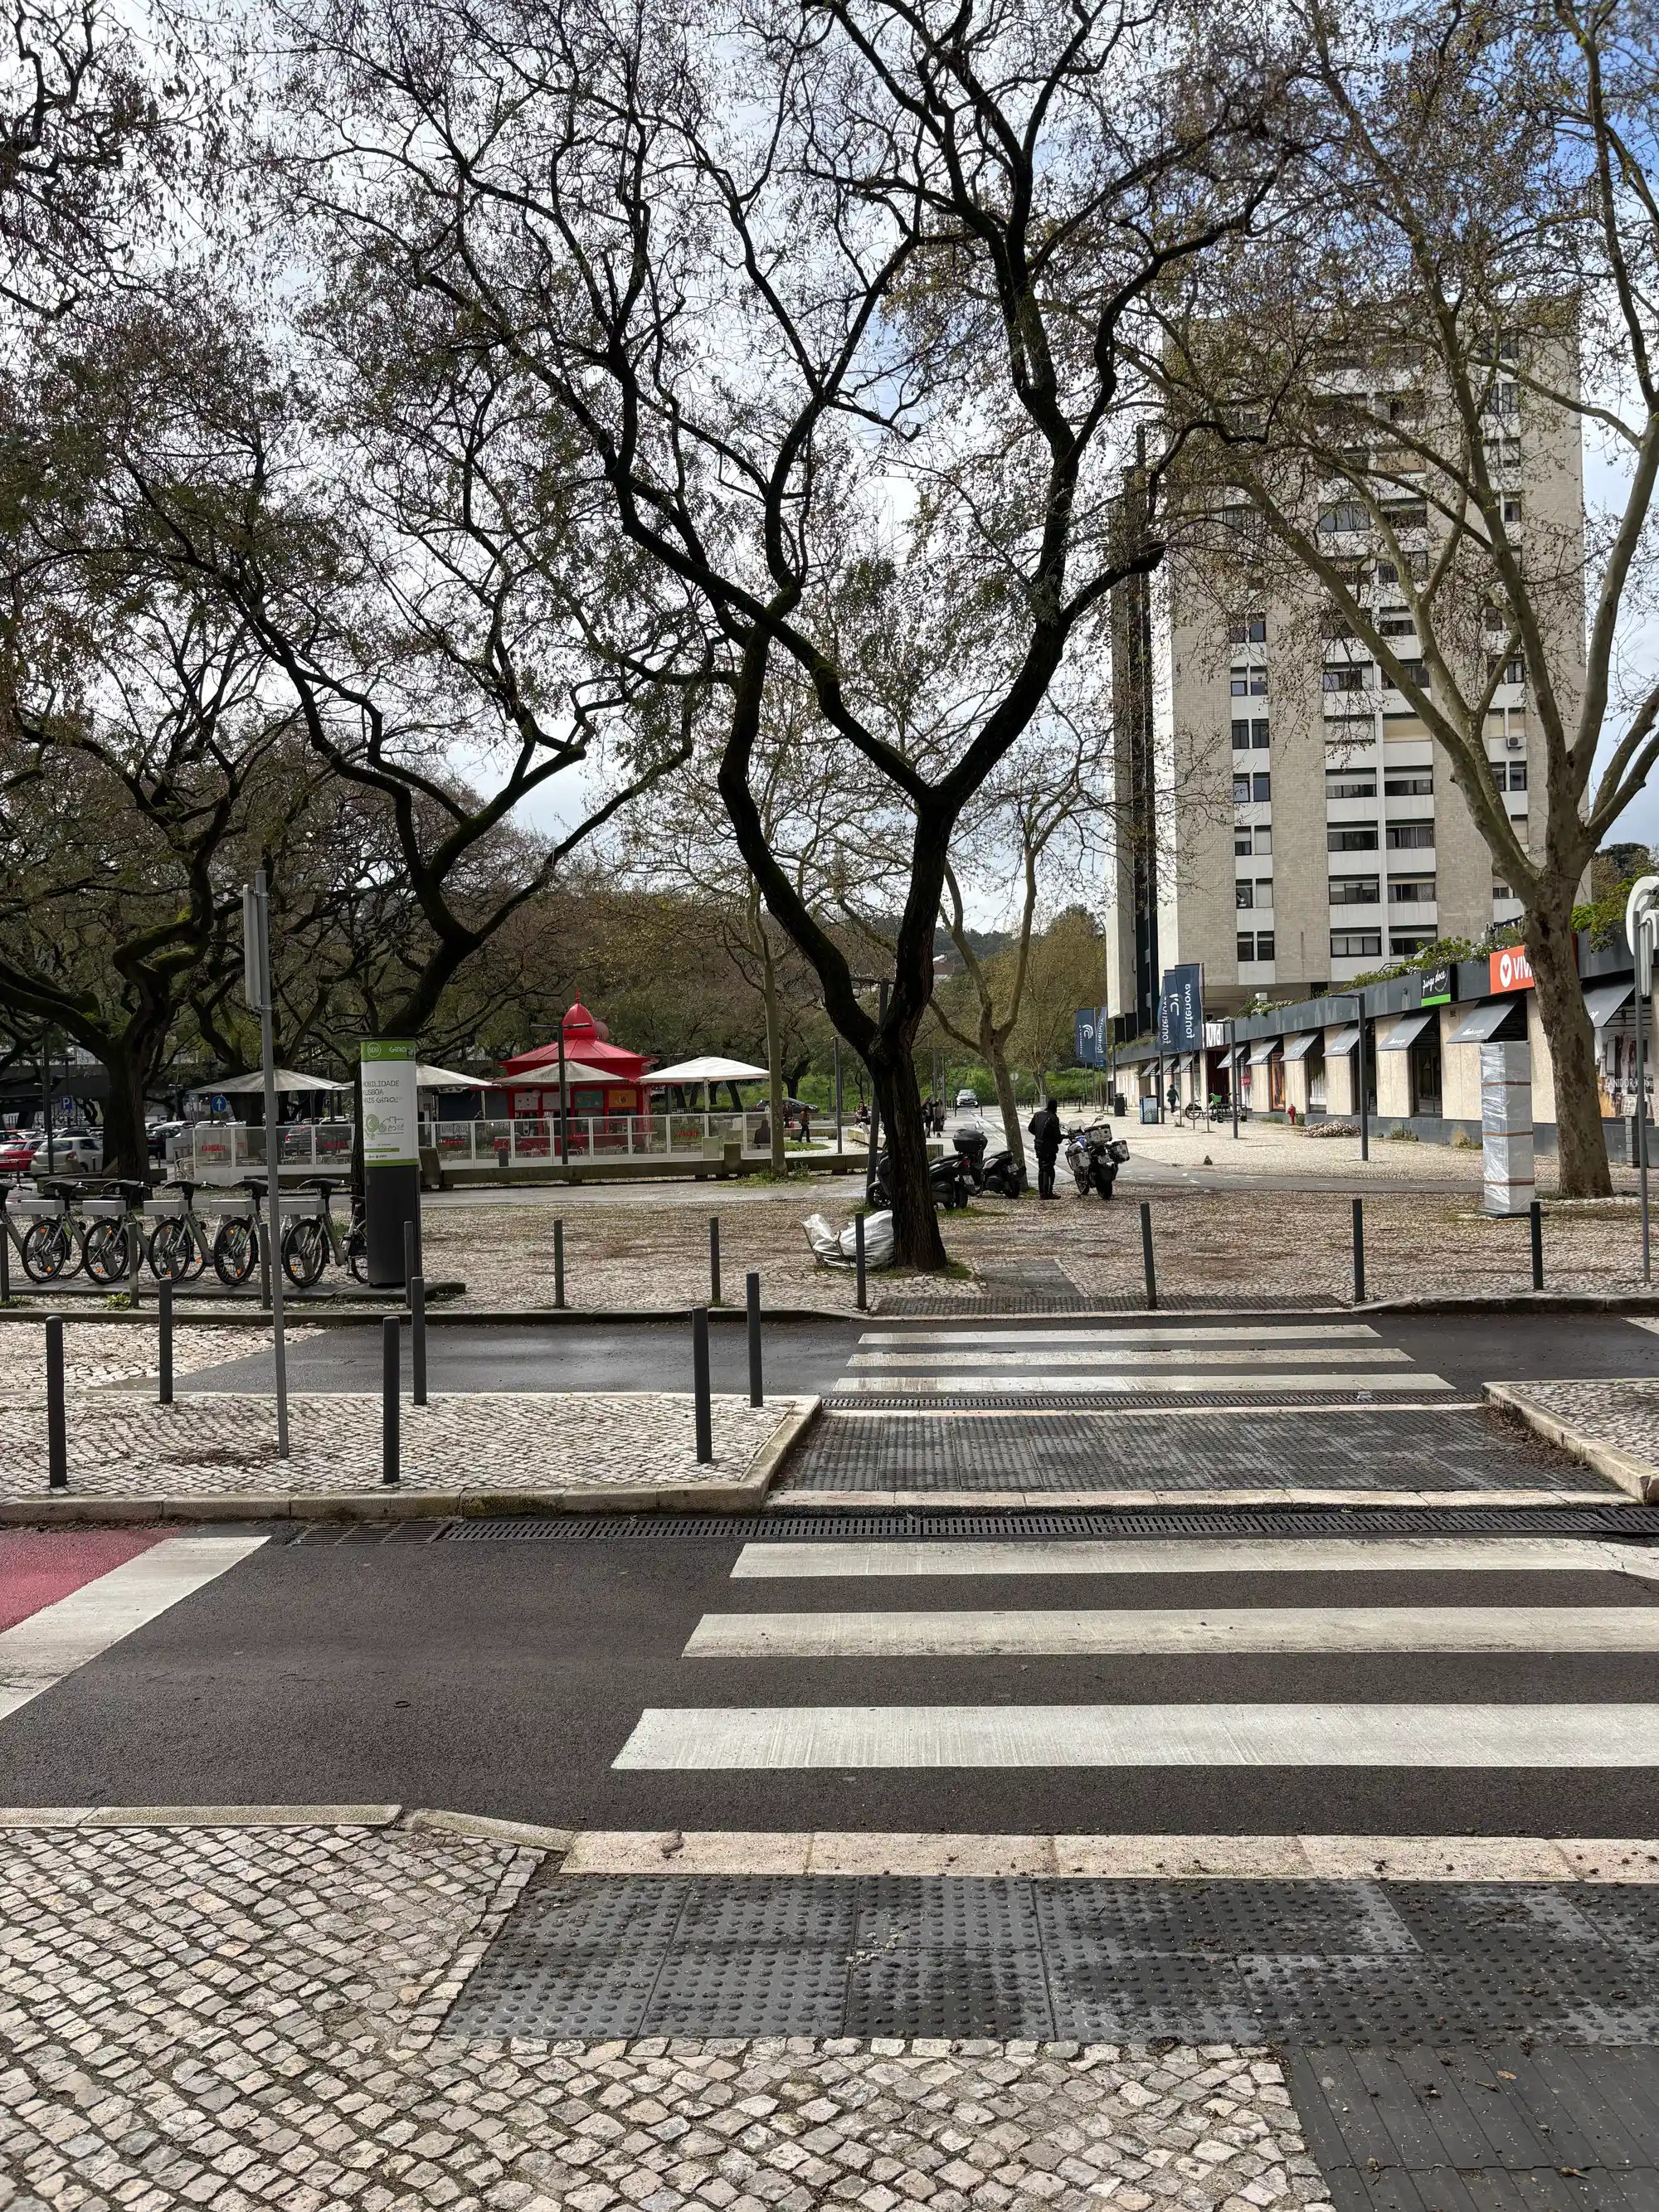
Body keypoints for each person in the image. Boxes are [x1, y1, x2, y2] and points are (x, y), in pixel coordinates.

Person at [1028, 1096, 1063, 1199]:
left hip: (1038, 1145)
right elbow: (1057, 1135)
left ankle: (1042, 1192)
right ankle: (1049, 1191)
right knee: (1050, 1169)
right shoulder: (1053, 1117)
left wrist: (1038, 1135)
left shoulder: (1037, 1115)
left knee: (1041, 1168)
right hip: (1049, 1147)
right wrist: (1059, 1139)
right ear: (1055, 1107)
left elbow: (1030, 1128)